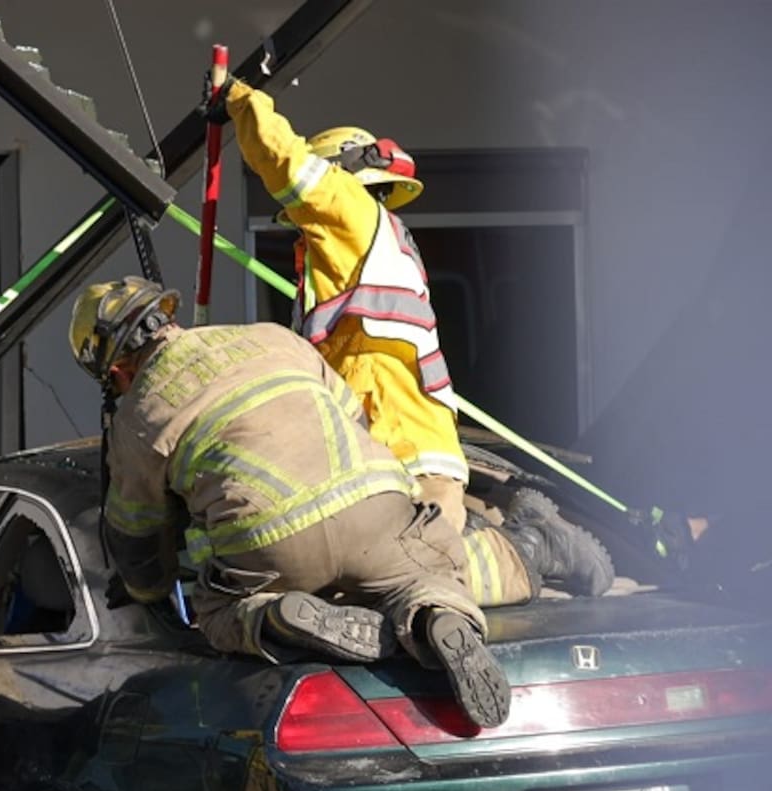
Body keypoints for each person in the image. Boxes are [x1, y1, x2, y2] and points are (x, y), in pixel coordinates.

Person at [70, 278, 616, 728]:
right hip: (376, 505)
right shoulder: (271, 339)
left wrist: (148, 583)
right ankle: (440, 611)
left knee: (219, 611)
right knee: (432, 567)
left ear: (115, 371)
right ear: (169, 318)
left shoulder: (137, 418)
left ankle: (277, 618)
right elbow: (352, 416)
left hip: (273, 551)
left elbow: (139, 544)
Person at [199, 77, 615, 604]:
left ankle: (536, 544)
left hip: (398, 435)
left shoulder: (349, 213)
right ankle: (523, 537)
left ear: (342, 178)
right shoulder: (368, 247)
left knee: (419, 574)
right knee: (392, 576)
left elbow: (286, 163)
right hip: (396, 433)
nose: (301, 228)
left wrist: (239, 101)